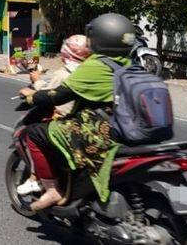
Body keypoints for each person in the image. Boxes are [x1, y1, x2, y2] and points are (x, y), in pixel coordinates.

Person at [19, 13, 134, 211]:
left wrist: (30, 97)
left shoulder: (97, 66)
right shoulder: (129, 64)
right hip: (124, 125)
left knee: (34, 133)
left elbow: (57, 95)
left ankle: (53, 190)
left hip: (98, 130)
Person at [16, 34, 91, 196]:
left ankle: (37, 179)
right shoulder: (90, 71)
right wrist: (38, 80)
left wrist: (35, 84)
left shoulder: (64, 74)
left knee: (33, 133)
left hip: (65, 122)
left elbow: (51, 95)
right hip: (86, 122)